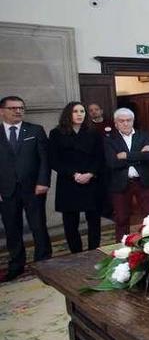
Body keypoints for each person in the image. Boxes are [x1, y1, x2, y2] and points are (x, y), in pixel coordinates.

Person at [0, 96, 52, 281]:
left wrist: (43, 181)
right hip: (6, 190)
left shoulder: (35, 130)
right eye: (13, 108)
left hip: (33, 188)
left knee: (38, 226)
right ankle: (16, 265)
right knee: (12, 229)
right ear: (2, 111)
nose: (18, 111)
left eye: (21, 108)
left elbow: (44, 159)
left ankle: (44, 262)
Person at [48, 101, 104, 253]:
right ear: (68, 114)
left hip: (91, 181)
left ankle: (94, 250)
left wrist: (90, 174)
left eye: (82, 111)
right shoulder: (56, 133)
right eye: (75, 111)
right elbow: (53, 160)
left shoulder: (93, 132)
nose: (80, 114)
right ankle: (76, 252)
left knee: (94, 220)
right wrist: (74, 174)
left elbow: (100, 157)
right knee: (70, 222)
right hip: (68, 182)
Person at [104, 107, 149, 241]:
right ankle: (122, 249)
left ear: (133, 121)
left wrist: (126, 155)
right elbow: (112, 162)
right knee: (121, 218)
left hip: (142, 181)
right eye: (121, 121)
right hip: (120, 183)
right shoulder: (110, 139)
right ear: (116, 124)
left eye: (128, 120)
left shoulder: (143, 135)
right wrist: (140, 156)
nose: (125, 123)